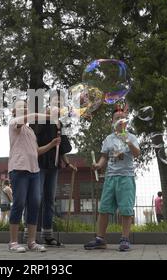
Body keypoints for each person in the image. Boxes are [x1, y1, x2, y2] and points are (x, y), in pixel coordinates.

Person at [7, 100, 61, 253]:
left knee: (35, 204)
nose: (24, 109)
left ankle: (31, 242)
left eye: (26, 106)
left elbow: (37, 151)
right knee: (19, 203)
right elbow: (31, 116)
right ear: (14, 112)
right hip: (19, 169)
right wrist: (48, 115)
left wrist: (51, 144)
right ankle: (13, 242)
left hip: (34, 171)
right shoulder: (14, 123)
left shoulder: (30, 131)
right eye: (21, 107)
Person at [84, 107, 140, 252]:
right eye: (117, 118)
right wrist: (98, 165)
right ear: (112, 122)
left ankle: (125, 239)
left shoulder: (131, 137)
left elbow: (137, 153)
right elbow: (104, 157)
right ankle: (100, 239)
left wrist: (127, 141)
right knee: (104, 209)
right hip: (110, 177)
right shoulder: (109, 139)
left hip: (126, 177)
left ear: (126, 122)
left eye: (123, 118)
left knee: (126, 210)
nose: (120, 121)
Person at [28, 90, 77, 246]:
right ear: (49, 102)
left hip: (53, 166)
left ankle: (47, 235)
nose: (59, 104)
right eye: (56, 101)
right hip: (39, 164)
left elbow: (61, 147)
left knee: (49, 199)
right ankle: (30, 235)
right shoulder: (40, 119)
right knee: (37, 198)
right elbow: (32, 140)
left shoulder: (59, 123)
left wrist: (68, 163)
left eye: (61, 103)